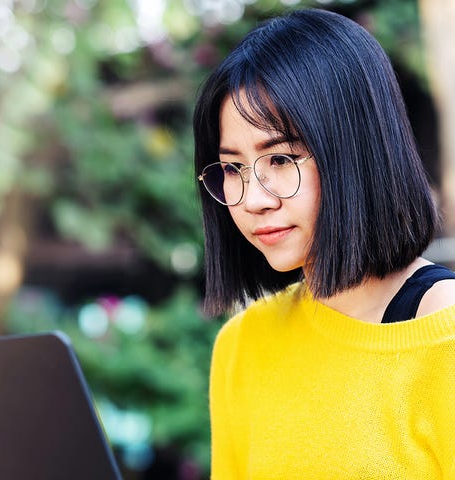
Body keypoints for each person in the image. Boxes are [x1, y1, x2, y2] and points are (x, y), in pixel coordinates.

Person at [193, 8, 455, 478]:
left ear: (355, 152)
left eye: (280, 158)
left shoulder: (445, 341)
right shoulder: (241, 346)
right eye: (233, 168)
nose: (253, 199)